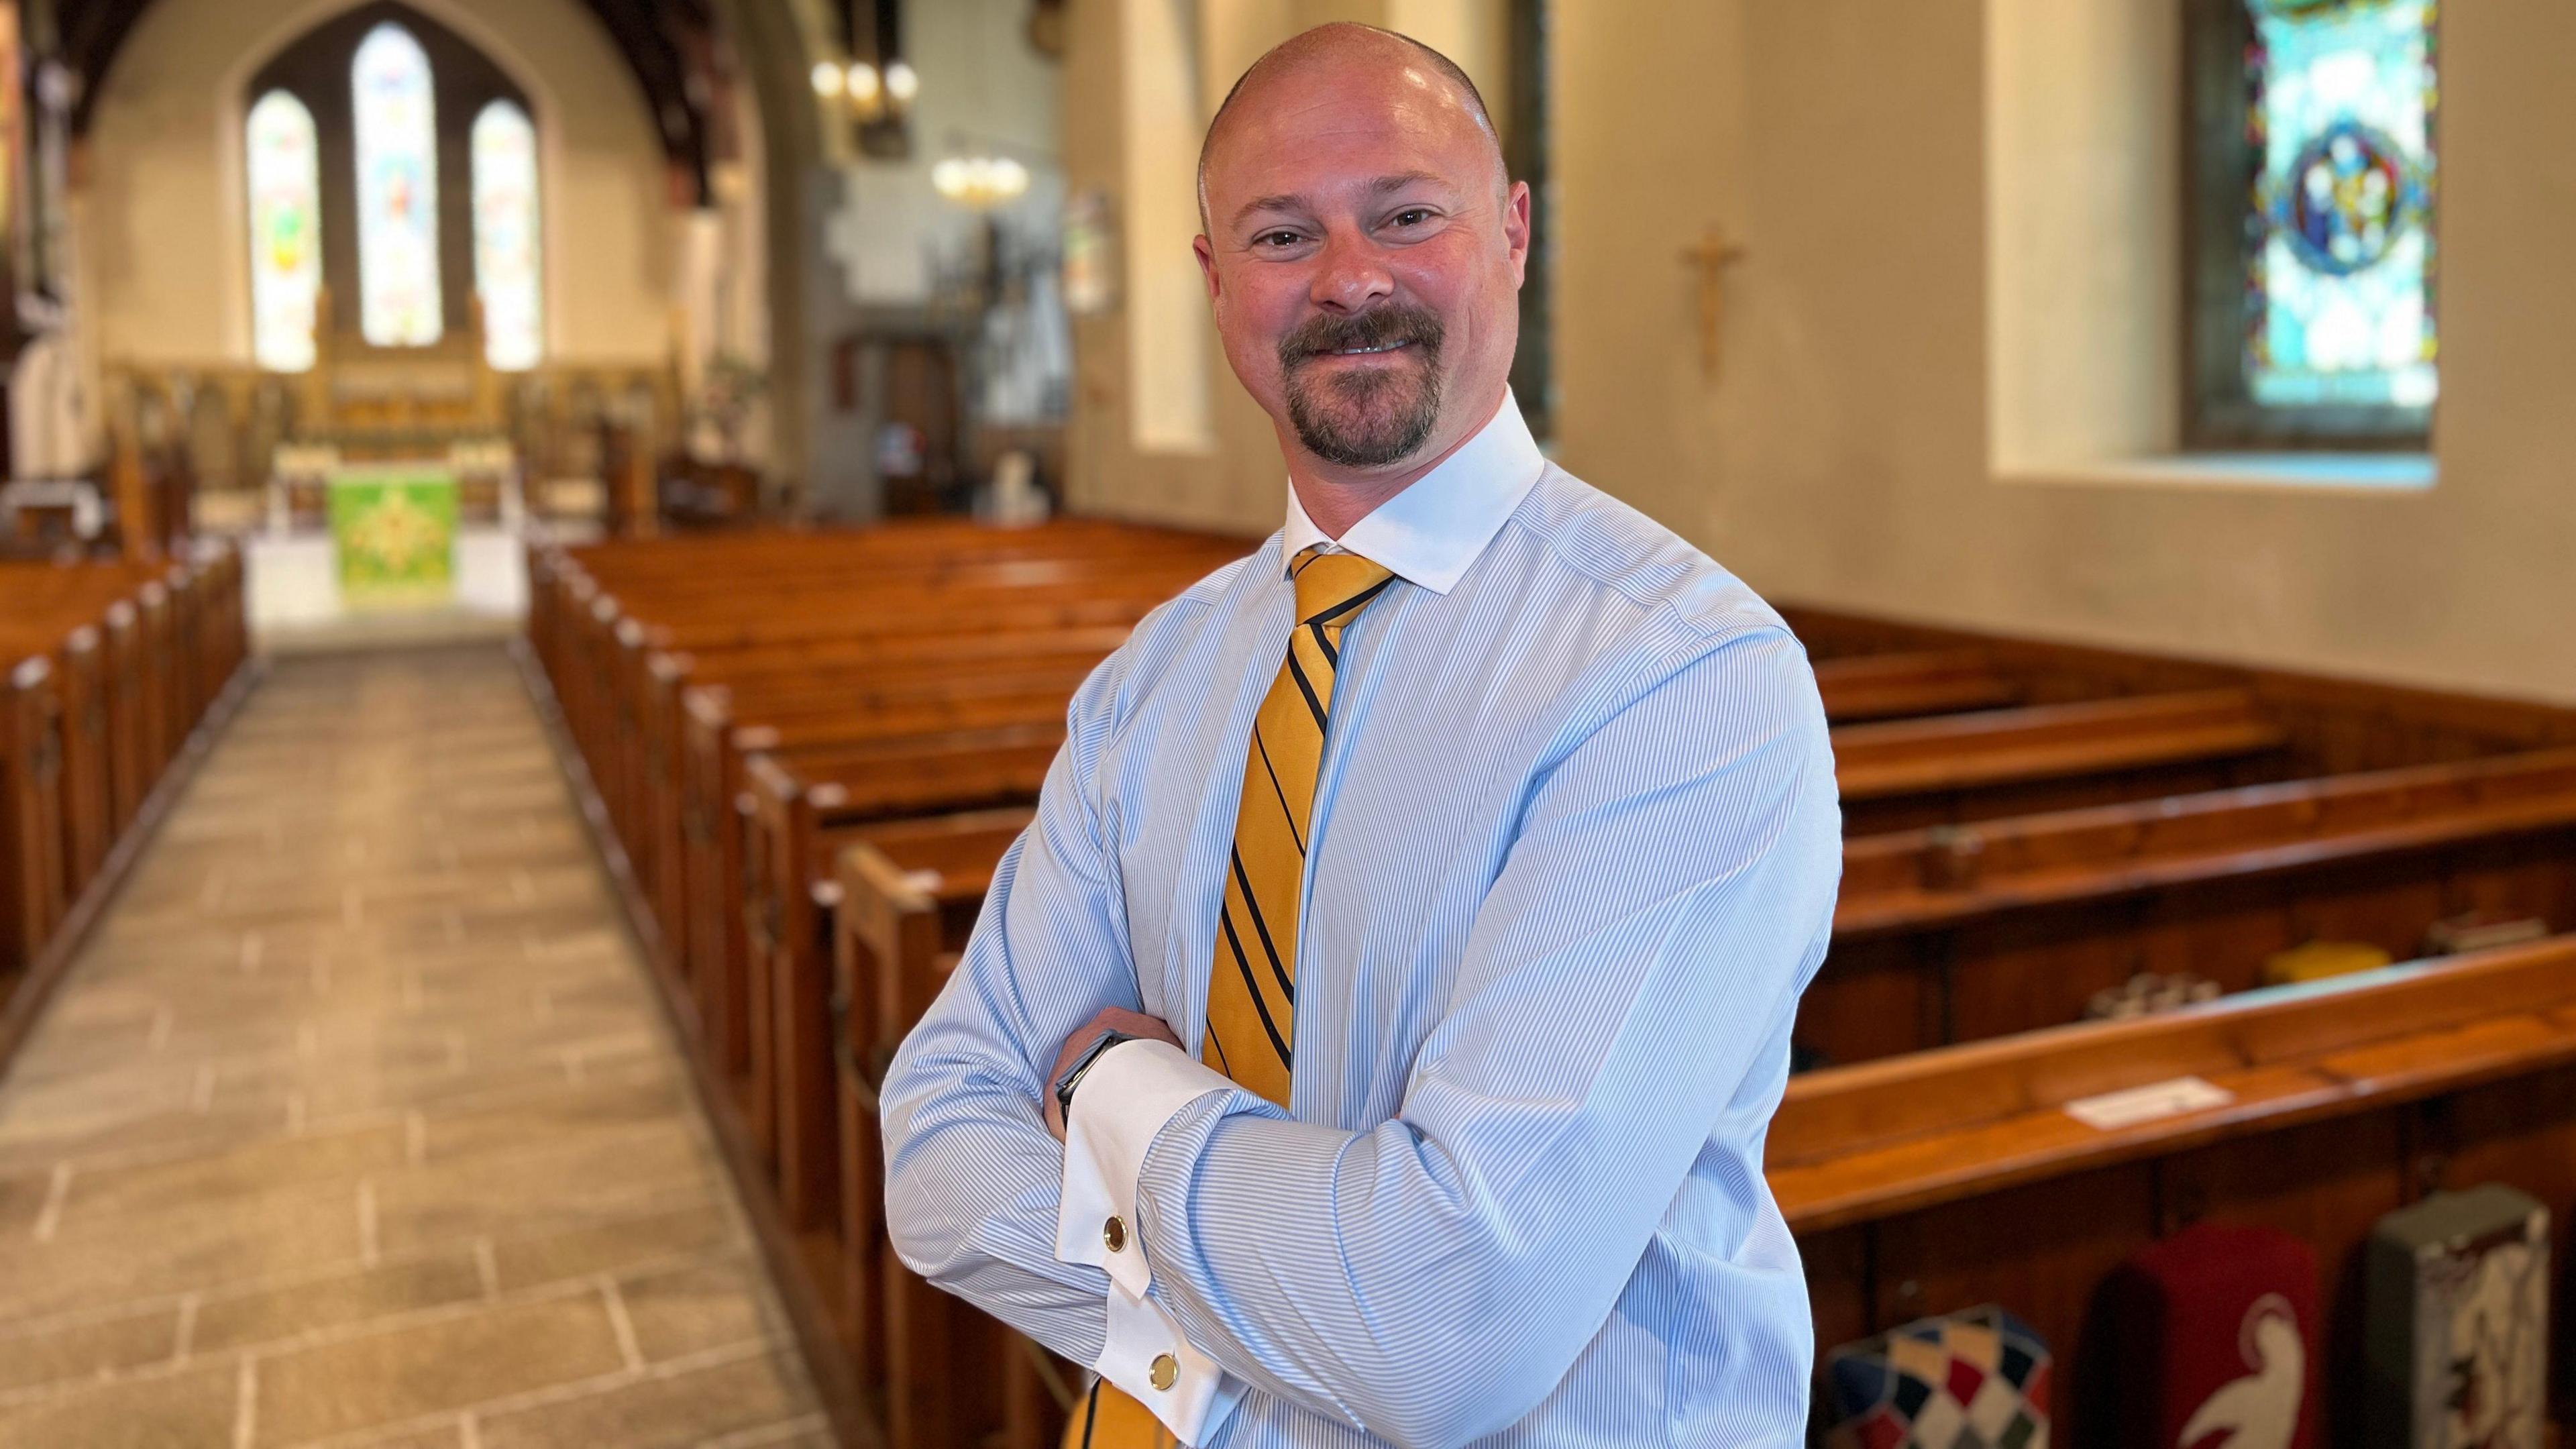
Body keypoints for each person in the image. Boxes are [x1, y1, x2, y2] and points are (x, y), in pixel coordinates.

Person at [881, 22, 1841, 1447]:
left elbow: (1448, 1330)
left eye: (1406, 214)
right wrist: (1301, 1312)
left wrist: (1107, 1088)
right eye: (1282, 234)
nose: (1350, 278)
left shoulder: (1679, 679)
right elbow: (936, 1151)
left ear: (1513, 233)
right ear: (1214, 283)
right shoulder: (1155, 682)